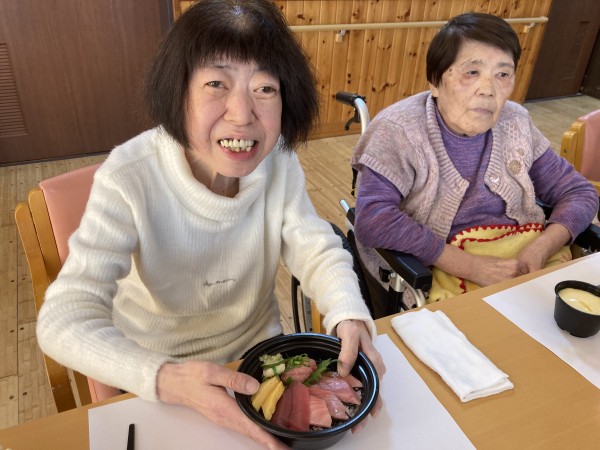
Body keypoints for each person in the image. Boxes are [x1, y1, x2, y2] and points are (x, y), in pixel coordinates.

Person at [36, 1, 385, 448]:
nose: (242, 113)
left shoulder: (278, 160)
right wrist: (166, 378)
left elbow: (313, 244)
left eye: (265, 88)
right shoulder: (129, 176)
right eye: (216, 83)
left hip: (259, 363)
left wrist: (348, 311)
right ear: (178, 92)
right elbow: (63, 320)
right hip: (163, 379)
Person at [352, 12, 599, 318]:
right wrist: (472, 267)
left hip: (523, 259)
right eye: (471, 72)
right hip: (438, 271)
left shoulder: (516, 122)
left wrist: (543, 246)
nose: (488, 89)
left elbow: (579, 192)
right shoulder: (398, 130)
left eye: (503, 74)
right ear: (435, 81)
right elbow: (373, 219)